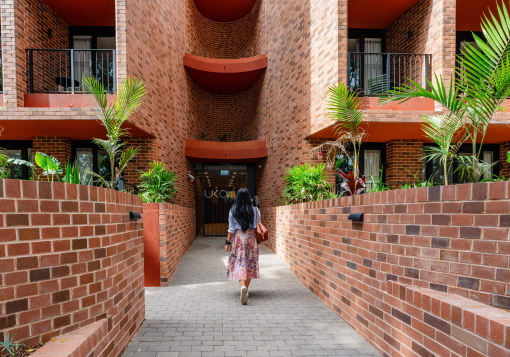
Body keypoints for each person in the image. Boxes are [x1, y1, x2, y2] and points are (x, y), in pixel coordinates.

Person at [225, 188, 261, 305]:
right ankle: (246, 288)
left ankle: (242, 287)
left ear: (237, 198)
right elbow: (257, 226)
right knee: (250, 263)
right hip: (251, 239)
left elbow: (231, 229)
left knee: (239, 263)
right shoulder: (255, 210)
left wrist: (227, 242)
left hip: (238, 239)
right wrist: (259, 241)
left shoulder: (233, 211)